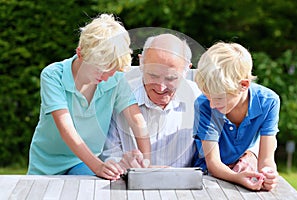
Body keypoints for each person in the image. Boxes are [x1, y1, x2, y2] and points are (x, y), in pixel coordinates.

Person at [27, 14, 150, 180]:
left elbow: (137, 120)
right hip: (46, 165)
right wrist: (98, 166)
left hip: (83, 163)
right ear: (80, 53)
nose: (106, 76)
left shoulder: (116, 79)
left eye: (112, 70)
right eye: (100, 69)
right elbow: (66, 130)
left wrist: (146, 162)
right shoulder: (53, 75)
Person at [100, 33, 201, 168]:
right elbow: (108, 155)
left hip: (184, 185)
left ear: (186, 70)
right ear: (142, 63)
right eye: (153, 75)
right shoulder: (119, 96)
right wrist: (121, 164)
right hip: (127, 184)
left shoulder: (199, 99)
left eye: (171, 78)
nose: (161, 87)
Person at [192, 42, 279, 191]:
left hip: (243, 171)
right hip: (207, 178)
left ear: (243, 85)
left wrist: (268, 174)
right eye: (208, 97)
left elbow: (266, 159)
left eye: (218, 98)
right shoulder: (204, 105)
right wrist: (237, 177)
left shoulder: (269, 102)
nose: (212, 104)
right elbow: (213, 164)